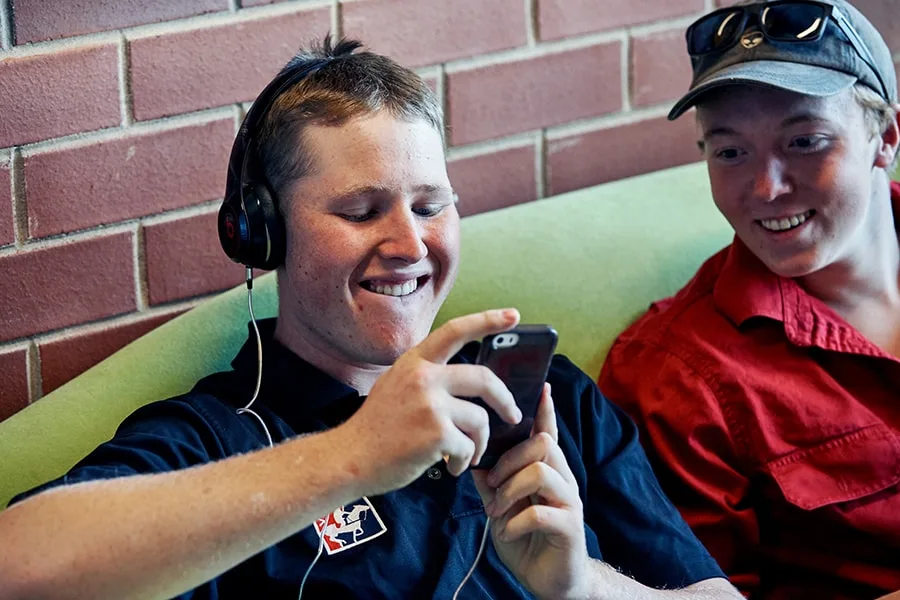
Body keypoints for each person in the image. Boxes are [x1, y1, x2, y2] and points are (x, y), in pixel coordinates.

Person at [0, 38, 739, 600]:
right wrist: (353, 455)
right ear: (263, 232)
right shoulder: (219, 435)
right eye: (360, 211)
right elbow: (17, 561)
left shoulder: (541, 395)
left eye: (428, 206)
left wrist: (580, 584)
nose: (410, 246)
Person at [599, 1, 900, 598]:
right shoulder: (671, 379)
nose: (766, 189)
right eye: (730, 152)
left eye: (805, 140)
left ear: (884, 137)